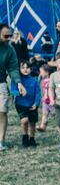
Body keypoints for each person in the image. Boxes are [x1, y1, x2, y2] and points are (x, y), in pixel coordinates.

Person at [0, 23, 25, 151]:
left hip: (1, 83)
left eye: (10, 35)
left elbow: (13, 67)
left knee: (2, 111)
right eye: (6, 36)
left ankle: (1, 141)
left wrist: (19, 82)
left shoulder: (9, 49)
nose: (9, 38)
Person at [11, 60, 41, 148]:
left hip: (32, 105)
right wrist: (19, 93)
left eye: (27, 68)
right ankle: (25, 137)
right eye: (23, 67)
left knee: (32, 122)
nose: (25, 69)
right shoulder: (17, 80)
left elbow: (38, 93)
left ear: (31, 69)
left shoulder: (34, 81)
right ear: (19, 69)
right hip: (20, 104)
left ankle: (32, 139)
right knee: (25, 121)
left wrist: (36, 103)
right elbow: (13, 90)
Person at [35, 64, 53, 132]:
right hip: (45, 101)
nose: (40, 73)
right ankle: (43, 127)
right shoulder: (43, 80)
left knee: (57, 114)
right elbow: (44, 90)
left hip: (51, 100)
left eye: (41, 72)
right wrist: (43, 97)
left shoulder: (51, 80)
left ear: (47, 72)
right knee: (45, 114)